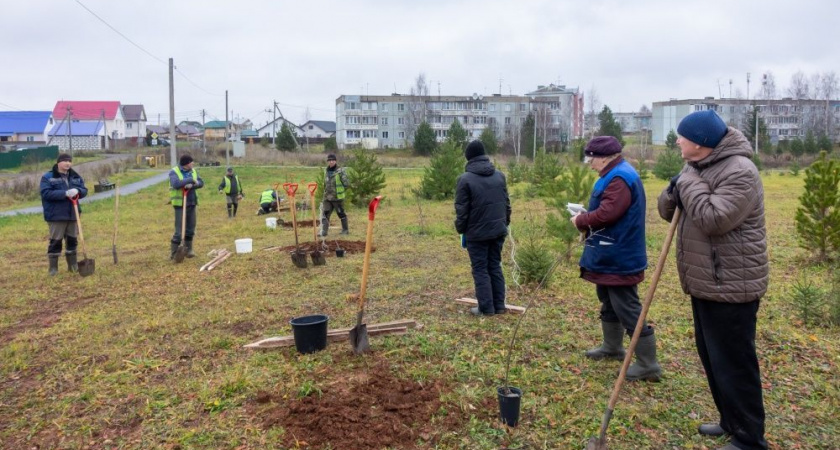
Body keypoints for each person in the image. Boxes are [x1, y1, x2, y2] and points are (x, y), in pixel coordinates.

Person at [658, 110, 768, 450]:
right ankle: (729, 420)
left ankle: (750, 439)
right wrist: (674, 189)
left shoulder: (740, 172)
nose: (677, 141)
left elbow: (714, 219)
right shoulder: (697, 167)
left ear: (701, 142)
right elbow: (668, 211)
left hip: (732, 286)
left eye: (682, 136)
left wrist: (687, 183)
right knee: (713, 357)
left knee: (735, 363)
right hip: (706, 281)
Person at [571, 136, 661, 382]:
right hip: (609, 253)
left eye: (591, 159)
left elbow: (608, 213)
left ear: (604, 157)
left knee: (626, 306)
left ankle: (648, 364)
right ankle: (612, 347)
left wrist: (581, 220)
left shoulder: (619, 178)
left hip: (619, 255)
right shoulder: (616, 173)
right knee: (608, 299)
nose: (589, 164)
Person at [455, 140, 511, 316]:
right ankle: (499, 306)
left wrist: (461, 229)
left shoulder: (464, 180)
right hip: (498, 230)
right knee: (494, 266)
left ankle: (486, 308)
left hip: (477, 234)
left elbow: (461, 210)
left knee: (480, 269)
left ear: (469, 158)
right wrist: (504, 223)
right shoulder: (499, 176)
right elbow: (506, 204)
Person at [40, 153, 88, 275]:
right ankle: (53, 269)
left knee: (72, 240)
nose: (68, 163)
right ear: (58, 163)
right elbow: (46, 194)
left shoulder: (75, 176)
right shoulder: (48, 177)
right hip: (56, 215)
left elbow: (84, 190)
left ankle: (73, 266)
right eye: (65, 161)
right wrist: (65, 193)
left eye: (69, 161)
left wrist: (78, 190)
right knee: (55, 241)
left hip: (73, 213)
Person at [168, 154, 204, 260]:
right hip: (180, 204)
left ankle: (189, 250)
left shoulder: (193, 171)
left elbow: (201, 183)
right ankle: (174, 253)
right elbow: (176, 184)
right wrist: (190, 180)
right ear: (186, 164)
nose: (193, 163)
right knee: (179, 231)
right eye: (191, 162)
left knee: (190, 229)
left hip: (191, 202)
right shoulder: (174, 172)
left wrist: (193, 185)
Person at [319, 153, 351, 236]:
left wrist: (340, 191)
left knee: (341, 213)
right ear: (328, 161)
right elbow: (325, 184)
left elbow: (347, 184)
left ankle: (345, 230)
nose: (331, 162)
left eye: (333, 160)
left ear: (335, 161)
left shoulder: (340, 171)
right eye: (329, 160)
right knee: (325, 214)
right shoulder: (326, 171)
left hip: (337, 198)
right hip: (327, 198)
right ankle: (324, 231)